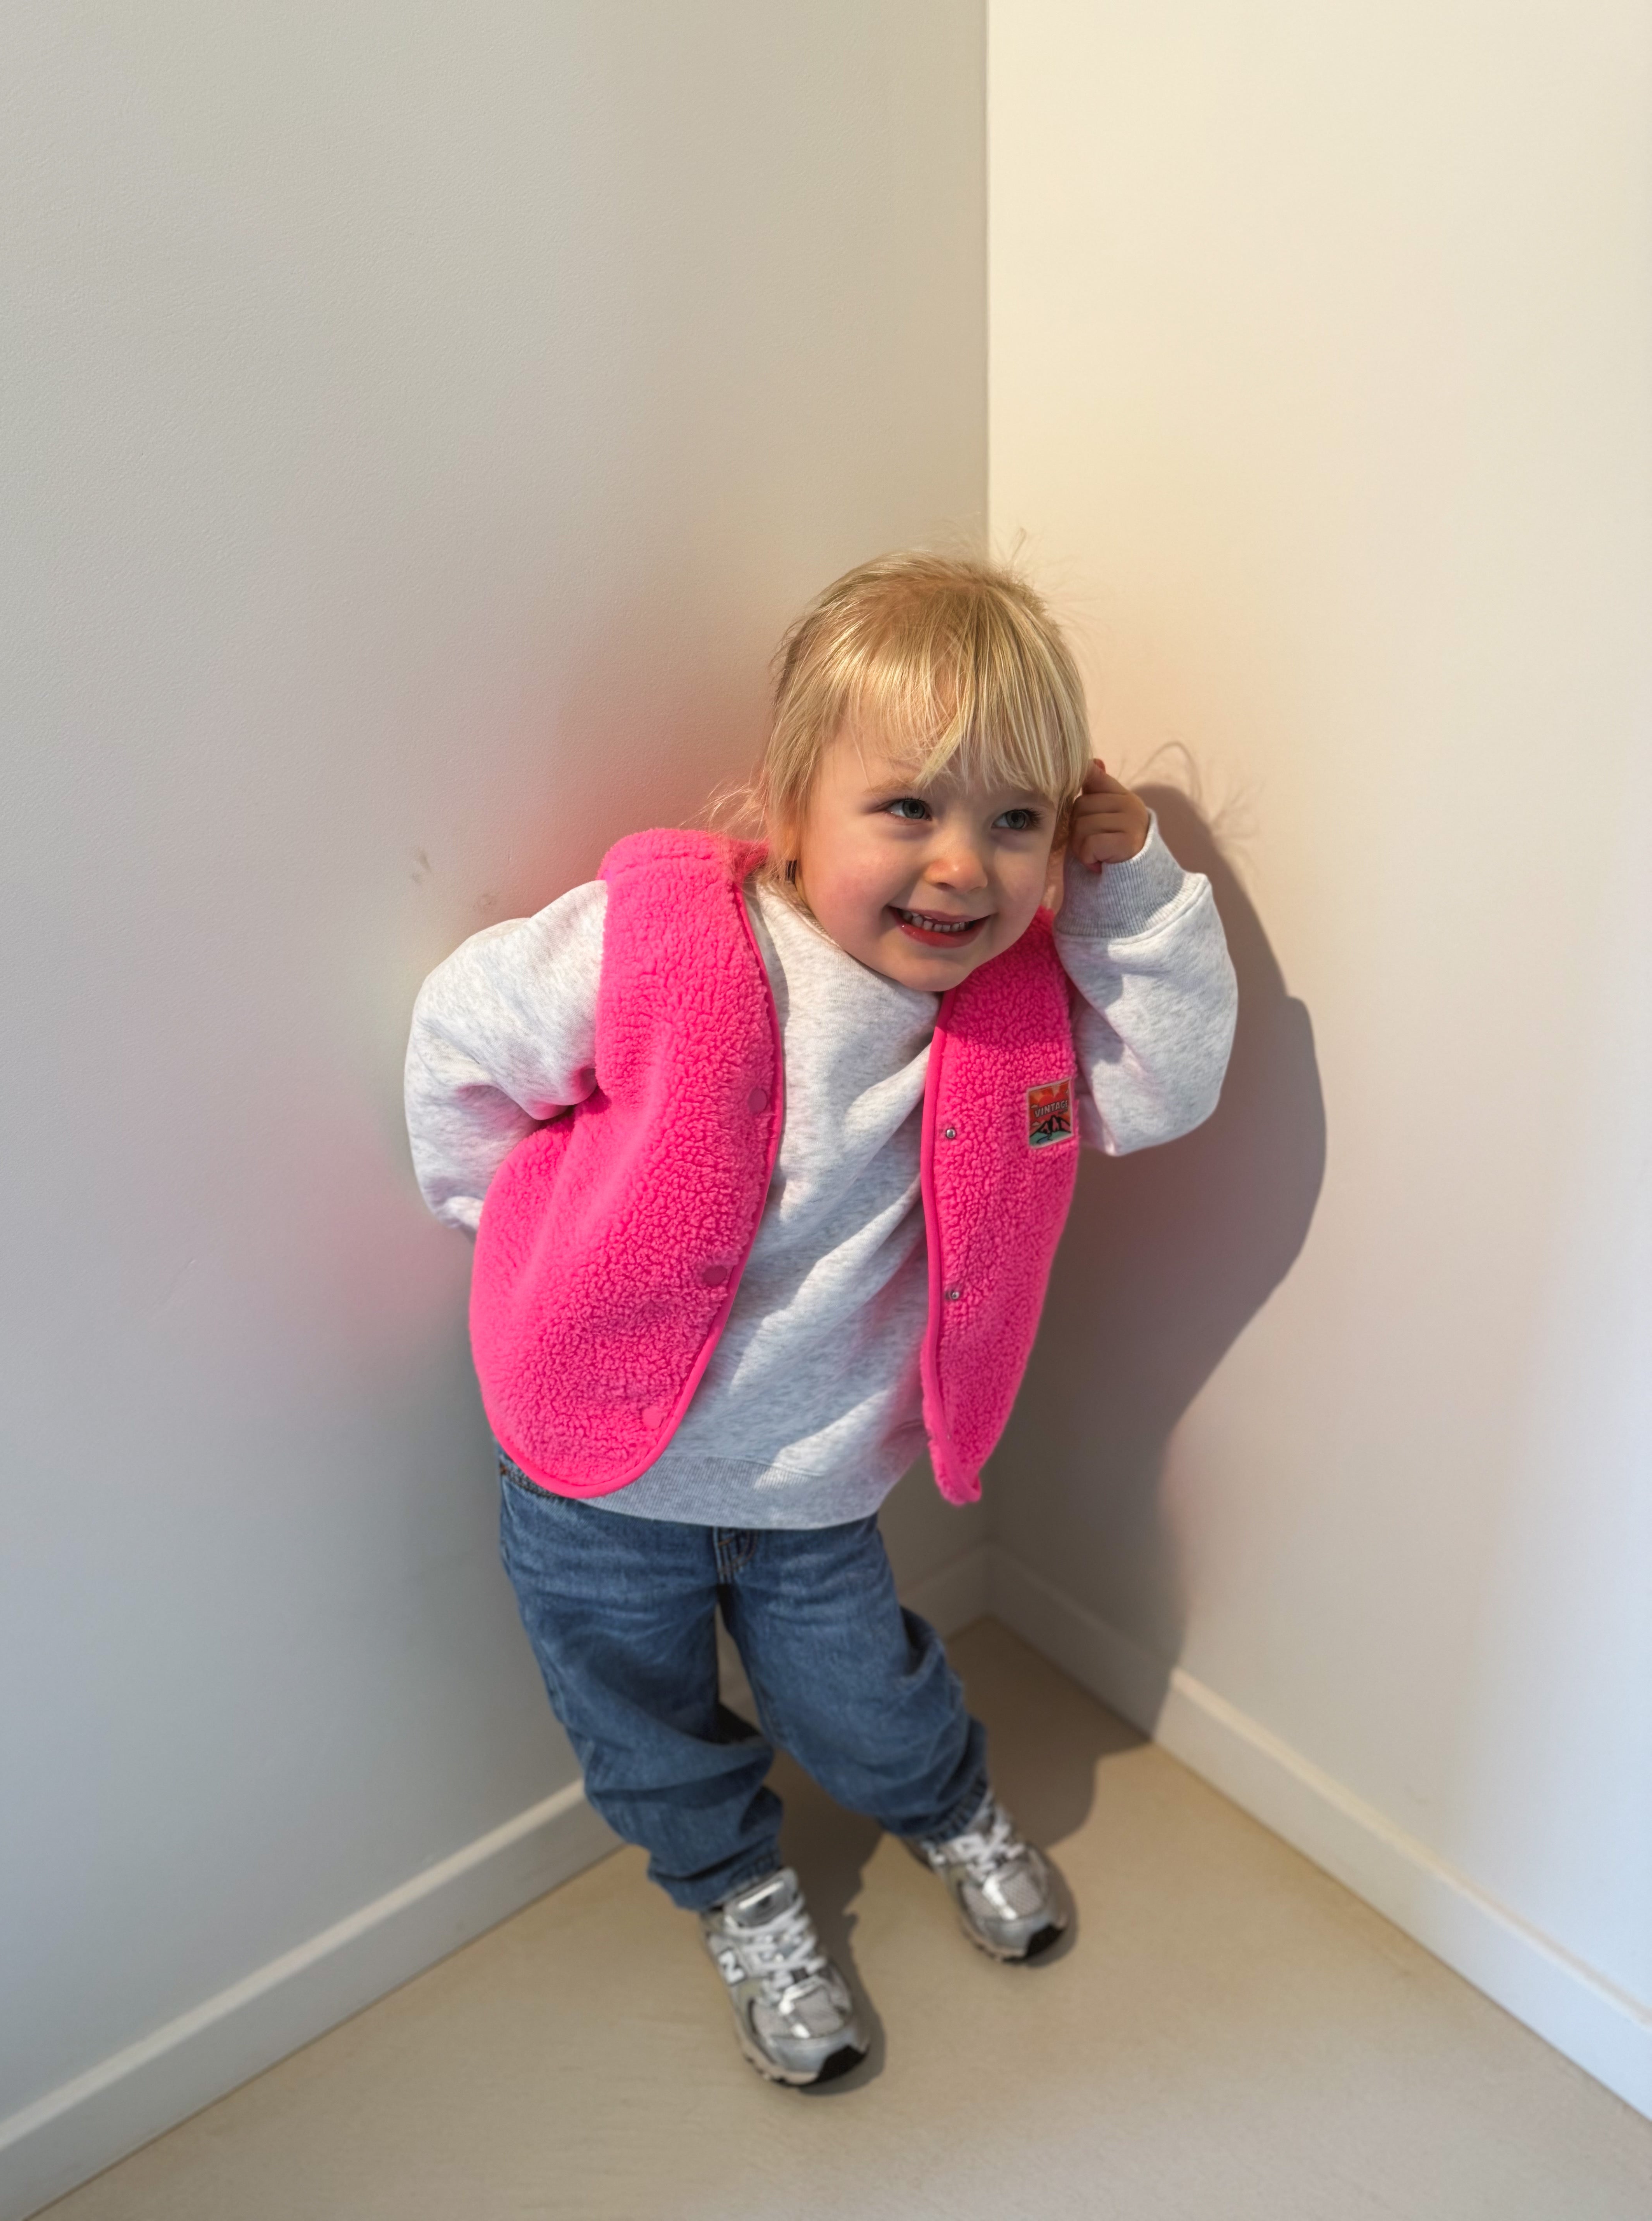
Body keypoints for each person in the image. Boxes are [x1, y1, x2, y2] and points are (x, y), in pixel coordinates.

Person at [404, 551, 1237, 2087]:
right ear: (792, 808)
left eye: (1017, 822)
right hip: (593, 1476)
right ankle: (734, 1889)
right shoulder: (665, 941)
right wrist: (501, 1227)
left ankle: (944, 1807)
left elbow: (1164, 1089)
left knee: (866, 1696)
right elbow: (466, 1030)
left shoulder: (1010, 1014)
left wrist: (1132, 892)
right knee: (641, 1720)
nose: (962, 867)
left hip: (816, 1485)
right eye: (908, 808)